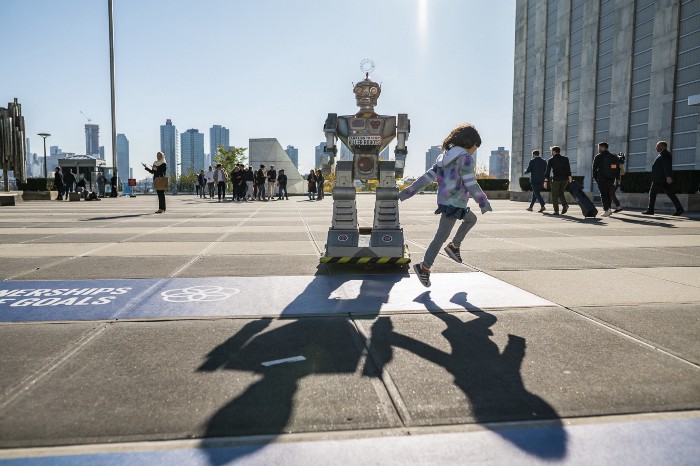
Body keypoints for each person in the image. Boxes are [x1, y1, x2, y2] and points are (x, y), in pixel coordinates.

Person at [399, 123, 492, 287]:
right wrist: (483, 202)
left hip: (449, 203)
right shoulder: (465, 158)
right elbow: (471, 183)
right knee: (440, 237)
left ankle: (454, 246)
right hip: (455, 205)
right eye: (475, 148)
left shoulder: (443, 158)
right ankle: (424, 267)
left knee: (471, 219)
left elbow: (426, 178)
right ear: (468, 143)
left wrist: (407, 192)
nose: (474, 151)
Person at [643, 141, 684, 216]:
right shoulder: (662, 154)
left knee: (652, 193)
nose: (656, 147)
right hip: (662, 179)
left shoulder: (665, 154)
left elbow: (666, 166)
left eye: (657, 146)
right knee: (671, 194)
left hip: (659, 179)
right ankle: (679, 209)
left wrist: (668, 176)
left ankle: (650, 210)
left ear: (662, 146)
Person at [592, 142, 620, 217]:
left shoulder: (598, 157)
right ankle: (609, 209)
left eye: (599, 147)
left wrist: (595, 178)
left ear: (601, 147)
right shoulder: (613, 157)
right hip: (611, 178)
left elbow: (594, 168)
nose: (598, 149)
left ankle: (606, 210)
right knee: (608, 194)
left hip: (602, 178)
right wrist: (617, 177)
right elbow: (616, 168)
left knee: (603, 194)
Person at [543, 146, 572, 215]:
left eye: (551, 151)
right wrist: (570, 177)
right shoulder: (565, 159)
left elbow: (548, 171)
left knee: (554, 195)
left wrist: (545, 181)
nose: (551, 152)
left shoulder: (551, 160)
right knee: (561, 193)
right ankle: (565, 205)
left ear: (554, 151)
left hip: (556, 179)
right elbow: (568, 168)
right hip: (565, 179)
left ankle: (556, 211)